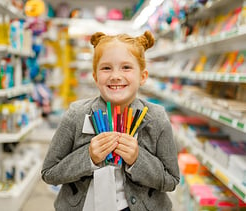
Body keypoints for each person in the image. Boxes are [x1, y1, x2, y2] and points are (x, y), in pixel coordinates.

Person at [41, 30, 180, 211]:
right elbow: (49, 173)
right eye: (106, 68)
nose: (115, 75)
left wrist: (138, 159)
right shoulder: (76, 115)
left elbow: (171, 180)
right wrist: (88, 157)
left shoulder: (157, 119)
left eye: (126, 67)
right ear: (95, 77)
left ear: (143, 76)